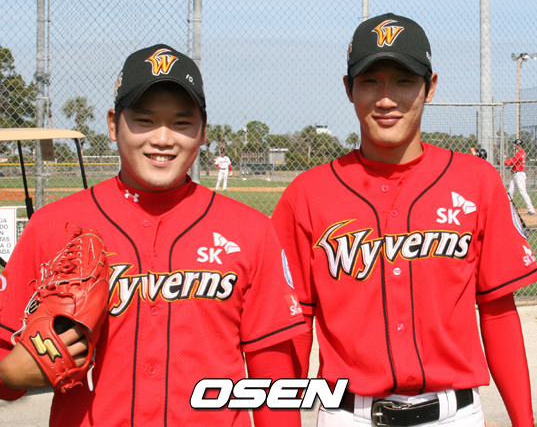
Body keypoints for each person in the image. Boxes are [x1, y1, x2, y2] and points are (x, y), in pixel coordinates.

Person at [0, 44, 307, 426]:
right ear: (113, 124)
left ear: (203, 132)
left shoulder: (250, 231)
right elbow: (6, 363)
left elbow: (272, 381)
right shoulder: (53, 226)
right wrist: (9, 375)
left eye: (181, 123)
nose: (163, 139)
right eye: (144, 120)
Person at [272, 13, 537, 427]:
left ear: (430, 87)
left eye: (403, 80)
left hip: (454, 415)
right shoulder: (307, 195)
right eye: (369, 81)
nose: (386, 99)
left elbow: (498, 313)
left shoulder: (476, 181)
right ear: (348, 88)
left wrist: (522, 421)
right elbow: (294, 329)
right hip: (348, 415)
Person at [505, 139, 536, 215]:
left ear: (518, 145)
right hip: (516, 174)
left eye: (516, 144)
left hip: (519, 175)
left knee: (523, 191)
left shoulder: (519, 153)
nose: (515, 146)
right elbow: (514, 161)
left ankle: (531, 209)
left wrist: (505, 162)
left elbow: (512, 162)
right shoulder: (522, 153)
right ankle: (507, 208)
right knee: (510, 192)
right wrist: (508, 161)